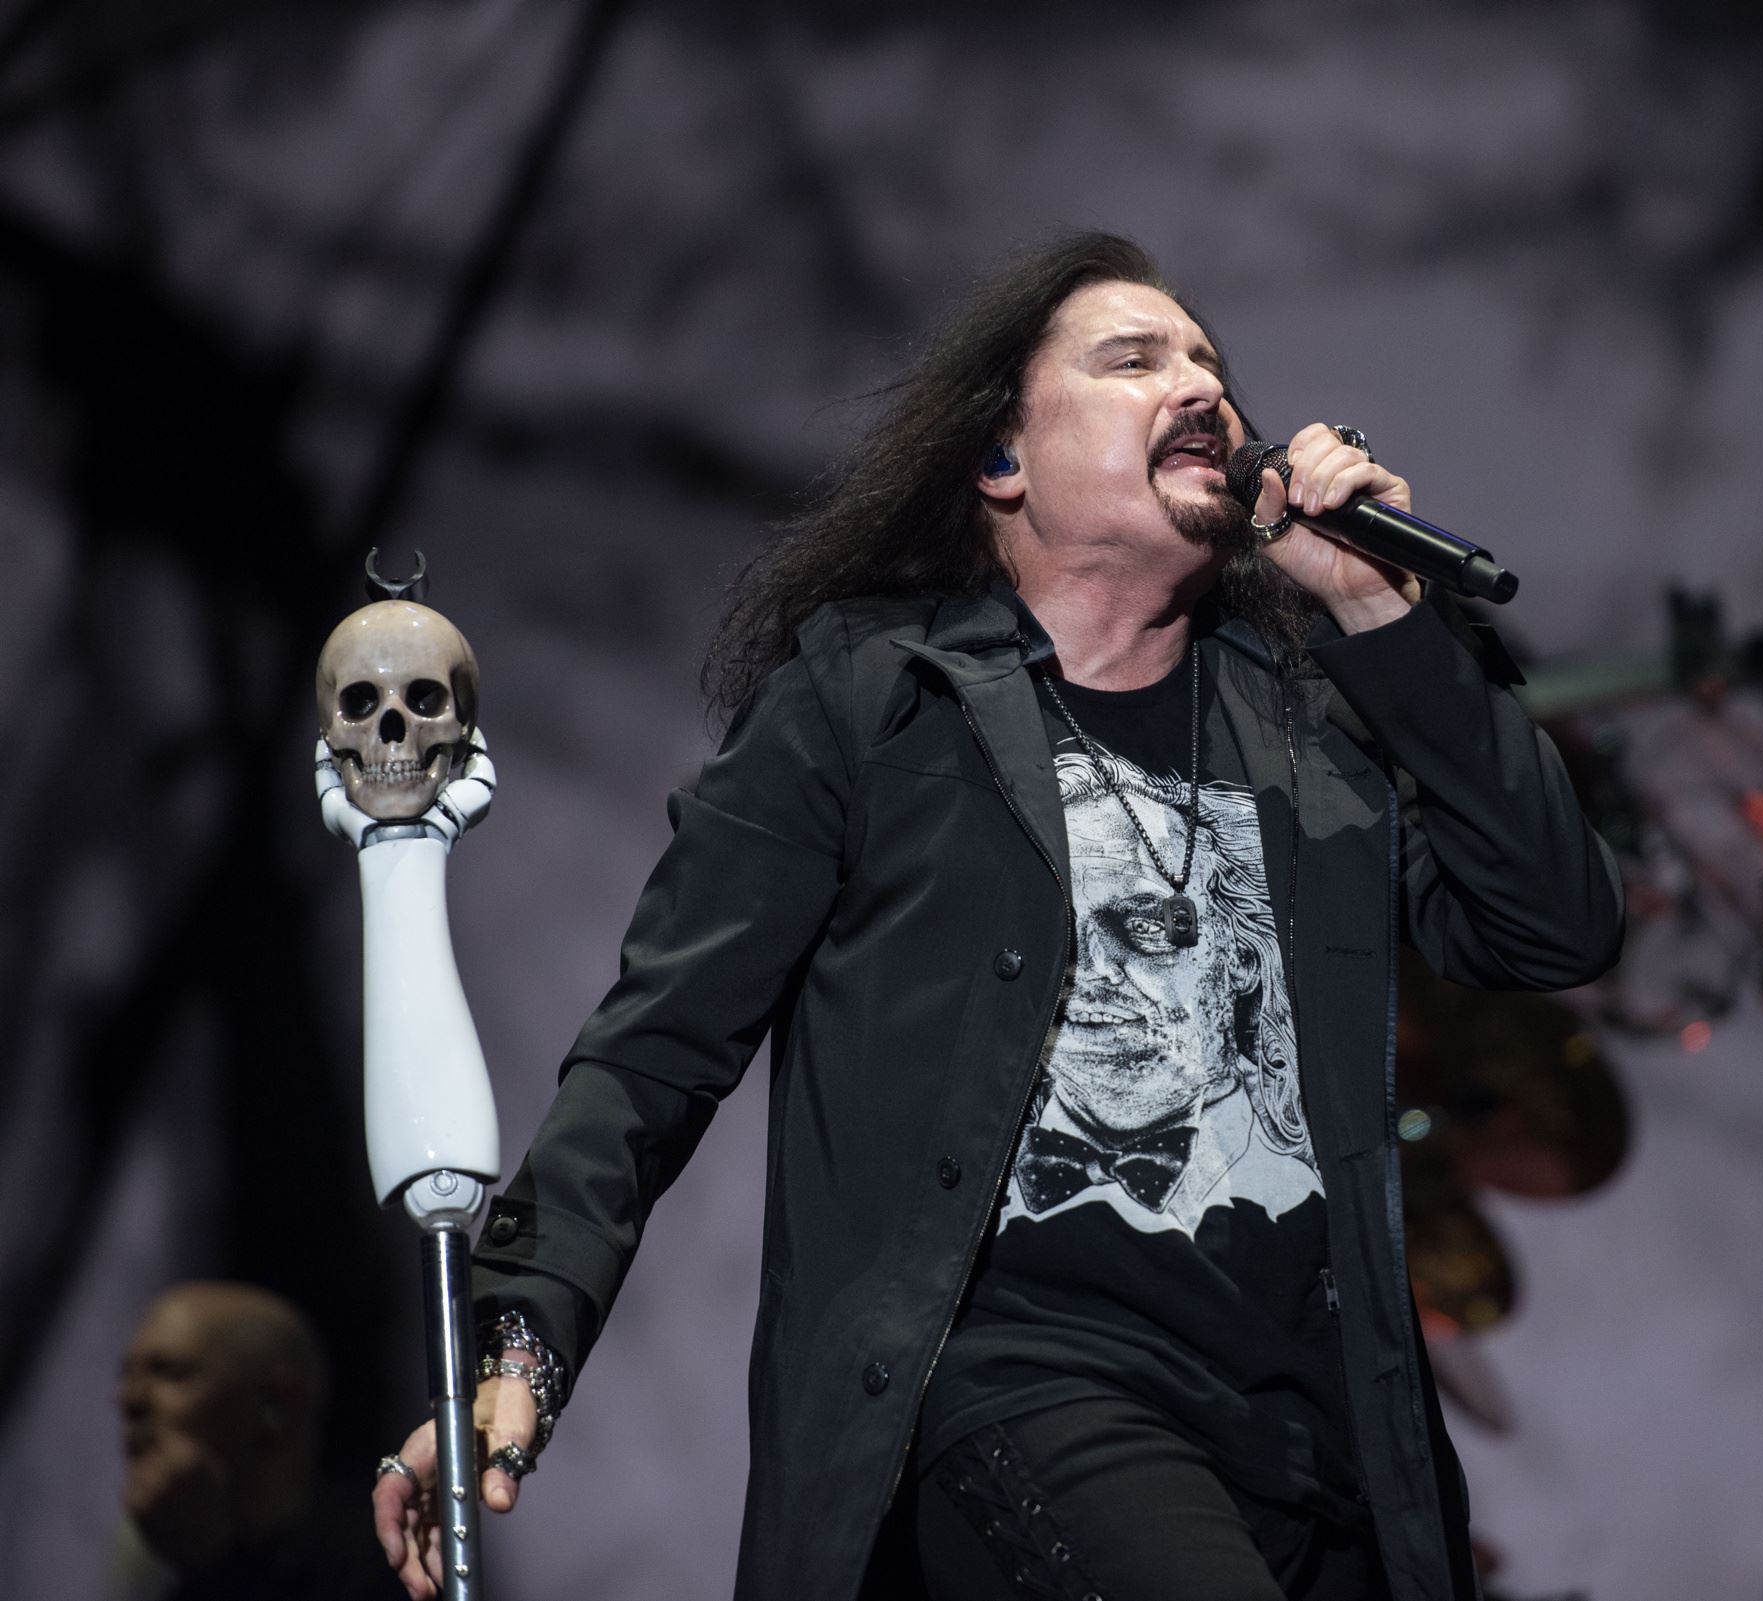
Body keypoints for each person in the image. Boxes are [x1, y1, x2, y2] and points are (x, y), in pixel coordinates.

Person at [372, 231, 1621, 1600]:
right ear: (998, 461)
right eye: (1132, 359)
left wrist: (1384, 619)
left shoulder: (1305, 727)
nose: (1200, 385)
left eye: (1208, 360)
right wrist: (516, 1342)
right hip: (1029, 1386)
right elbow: (652, 1051)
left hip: (1322, 1431)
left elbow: (1550, 925)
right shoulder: (874, 699)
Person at [114, 1280, 389, 1601]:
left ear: (276, 1404)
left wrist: (216, 1568)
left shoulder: (388, 1561)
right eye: (128, 1374)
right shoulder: (158, 1568)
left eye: (171, 1372)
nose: (130, 1399)